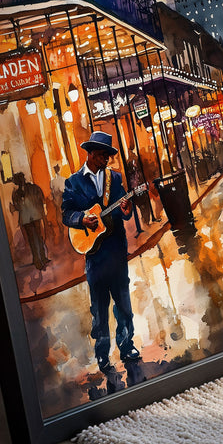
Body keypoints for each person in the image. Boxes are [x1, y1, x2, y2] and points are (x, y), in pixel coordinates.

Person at [62, 131, 141, 372]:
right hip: (94, 256)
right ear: (91, 154)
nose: (105, 160)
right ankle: (103, 354)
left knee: (124, 304)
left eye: (107, 157)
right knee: (99, 308)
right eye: (101, 156)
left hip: (116, 250)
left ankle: (127, 346)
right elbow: (67, 214)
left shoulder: (114, 179)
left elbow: (123, 211)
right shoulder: (73, 182)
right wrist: (82, 219)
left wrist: (126, 208)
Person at [10, 173, 49, 269]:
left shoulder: (32, 187)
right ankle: (37, 261)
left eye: (21, 178)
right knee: (32, 240)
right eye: (19, 180)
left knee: (39, 237)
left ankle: (43, 258)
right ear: (17, 182)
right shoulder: (16, 193)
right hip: (26, 219)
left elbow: (39, 199)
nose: (21, 181)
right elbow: (17, 206)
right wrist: (15, 206)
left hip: (35, 216)